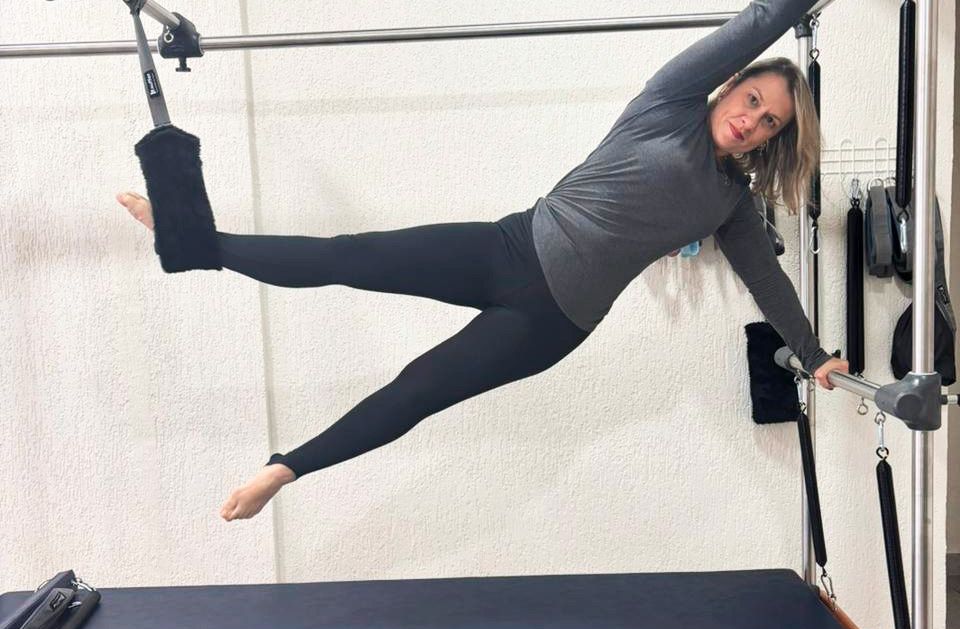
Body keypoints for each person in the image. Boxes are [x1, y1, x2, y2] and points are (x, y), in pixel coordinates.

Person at [117, 0, 849, 522]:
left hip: (550, 325)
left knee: (417, 391)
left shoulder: (731, 205)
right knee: (349, 256)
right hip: (506, 247)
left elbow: (767, 280)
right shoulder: (671, 102)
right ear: (728, 86)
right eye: (751, 98)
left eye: (769, 122)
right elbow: (760, 19)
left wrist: (814, 355)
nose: (750, 119)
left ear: (772, 140)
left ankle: (283, 470)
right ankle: (194, 241)